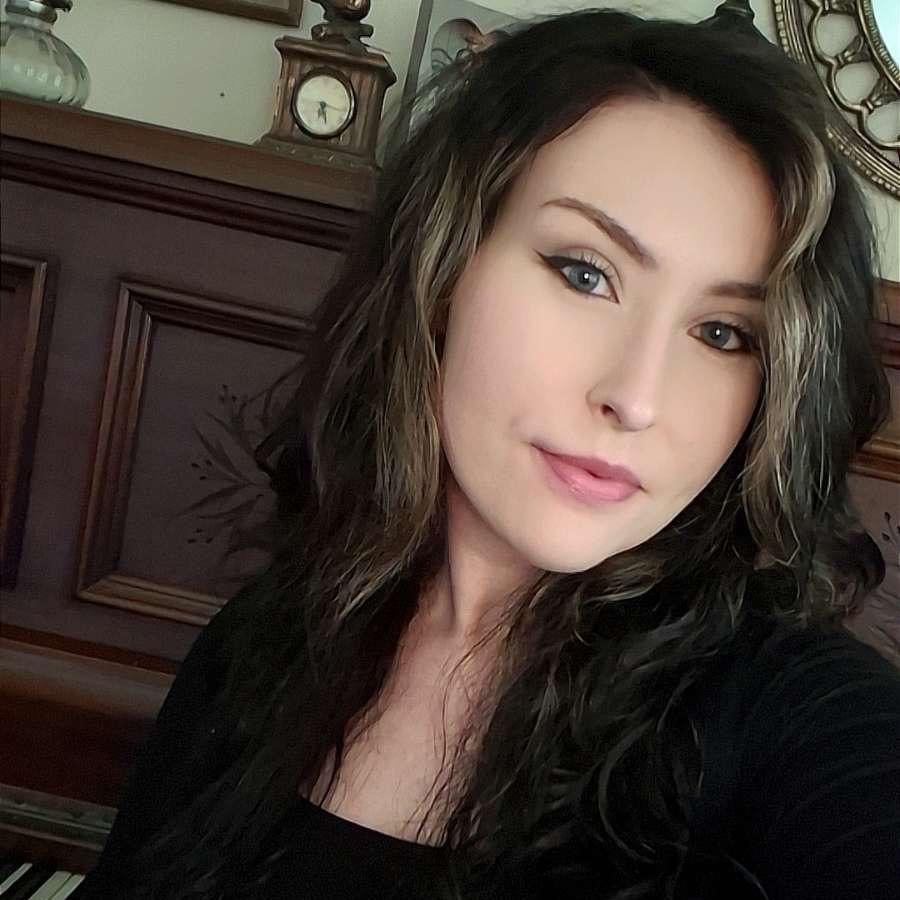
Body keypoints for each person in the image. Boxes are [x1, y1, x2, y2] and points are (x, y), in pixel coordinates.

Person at [71, 8, 900, 900]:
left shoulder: (790, 718)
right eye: (586, 273)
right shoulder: (266, 638)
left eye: (724, 332)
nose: (637, 397)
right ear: (443, 269)